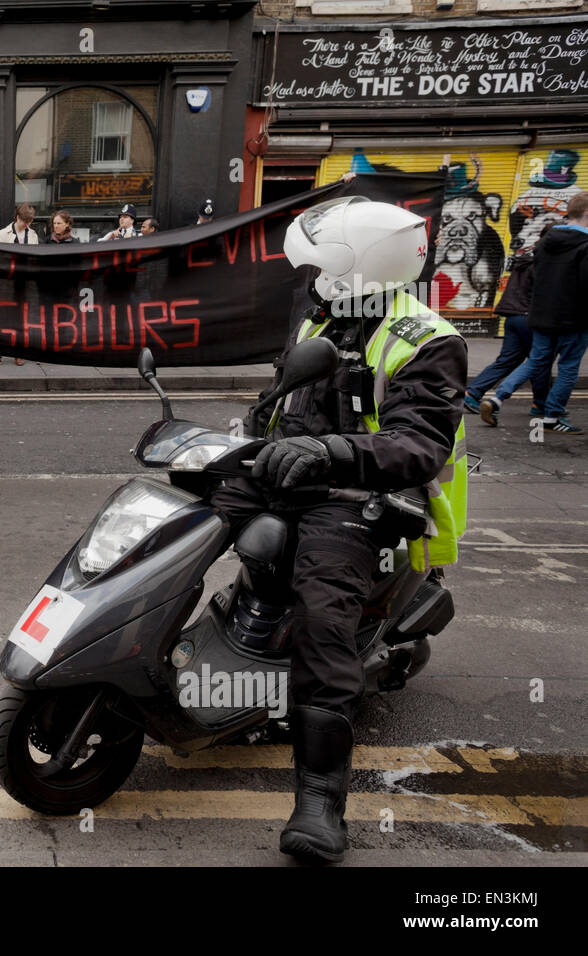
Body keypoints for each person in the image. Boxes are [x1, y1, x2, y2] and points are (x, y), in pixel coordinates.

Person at [214, 197, 466, 863]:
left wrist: (332, 453)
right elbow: (286, 404)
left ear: (363, 268)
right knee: (179, 517)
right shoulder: (323, 314)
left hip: (367, 493)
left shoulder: (427, 340)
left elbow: (420, 445)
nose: (311, 281)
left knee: (324, 617)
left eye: (323, 269)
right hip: (297, 471)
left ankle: (320, 800)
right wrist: (240, 448)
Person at [480, 192, 588, 435]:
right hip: (573, 318)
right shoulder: (584, 246)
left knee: (536, 361)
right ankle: (552, 417)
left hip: (540, 315)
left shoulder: (545, 243)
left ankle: (497, 398)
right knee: (569, 366)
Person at [463, 229, 551, 417]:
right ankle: (541, 405)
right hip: (529, 318)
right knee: (540, 361)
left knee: (508, 360)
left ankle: (472, 392)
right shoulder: (544, 263)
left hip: (512, 317)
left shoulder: (526, 258)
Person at [0, 203, 37, 367]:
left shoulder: (33, 235)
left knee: (22, 318)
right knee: (1, 318)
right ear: (17, 217)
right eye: (25, 221)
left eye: (30, 221)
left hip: (24, 284)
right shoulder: (2, 234)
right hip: (6, 283)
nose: (27, 225)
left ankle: (18, 353)